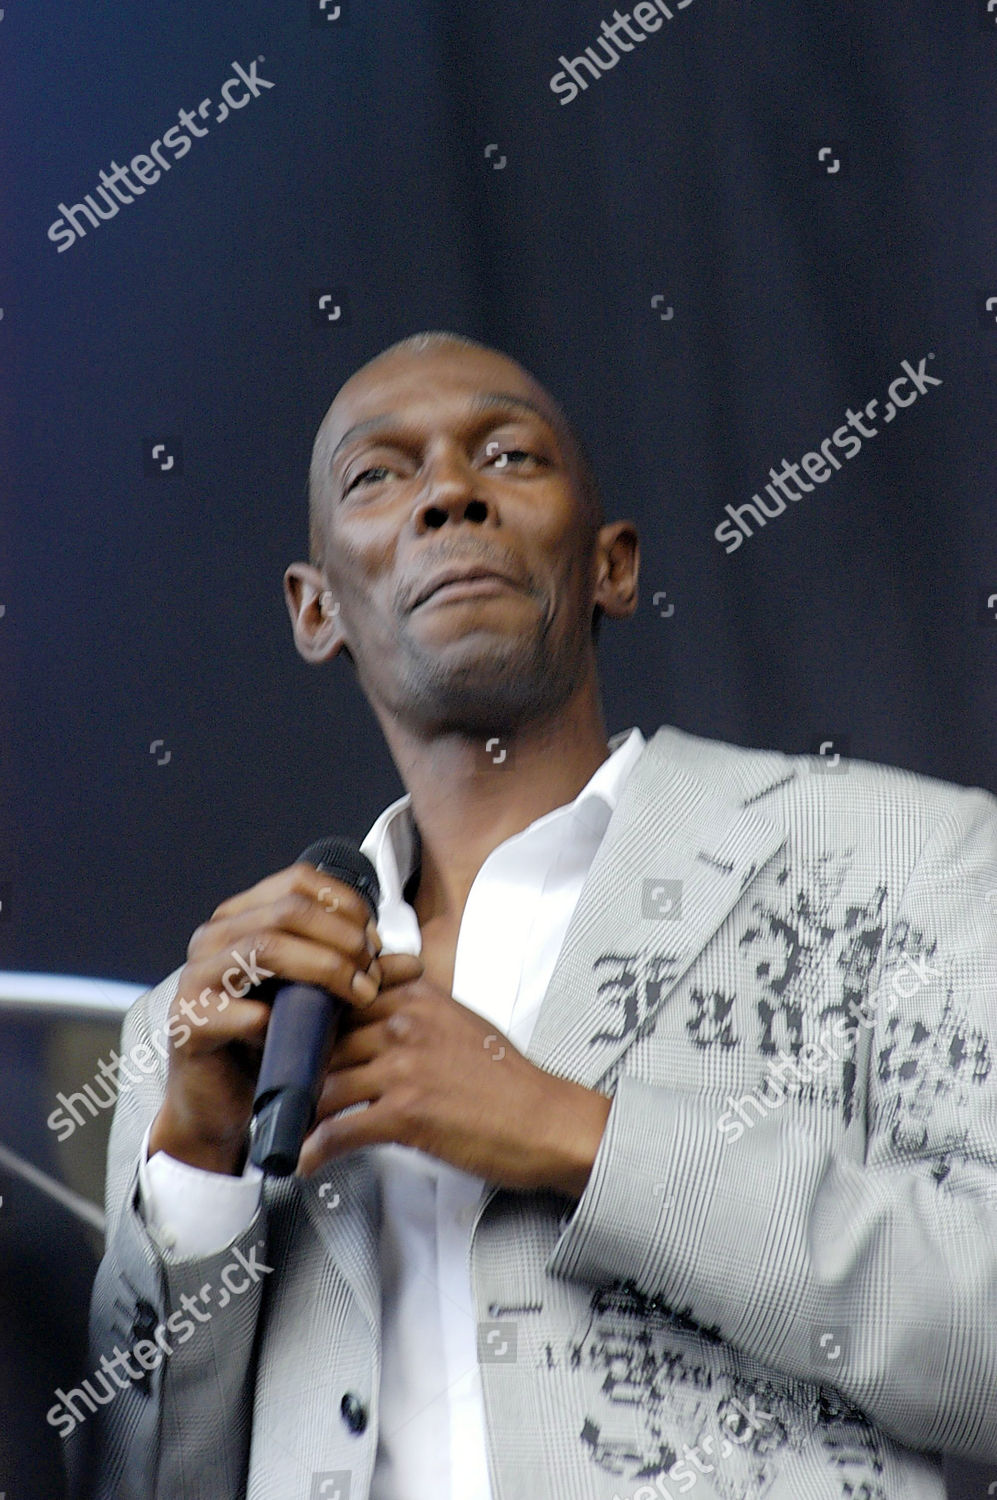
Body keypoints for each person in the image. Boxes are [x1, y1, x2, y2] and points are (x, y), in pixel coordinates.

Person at [67, 332, 996, 1499]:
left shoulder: (904, 859)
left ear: (611, 565)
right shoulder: (198, 1026)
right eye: (378, 476)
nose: (450, 493)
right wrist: (198, 1176)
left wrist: (577, 1134)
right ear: (315, 611)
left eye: (506, 455)